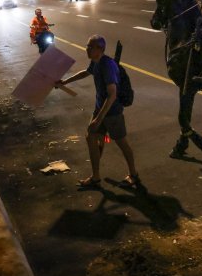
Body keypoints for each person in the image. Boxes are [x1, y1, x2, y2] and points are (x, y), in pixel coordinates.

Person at [55, 35, 139, 189]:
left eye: (90, 47)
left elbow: (112, 94)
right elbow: (86, 72)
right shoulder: (96, 62)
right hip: (100, 109)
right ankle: (95, 177)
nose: (87, 49)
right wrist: (65, 82)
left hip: (113, 112)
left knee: (122, 143)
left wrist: (98, 120)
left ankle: (133, 174)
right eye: (87, 46)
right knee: (91, 137)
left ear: (100, 49)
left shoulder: (107, 65)